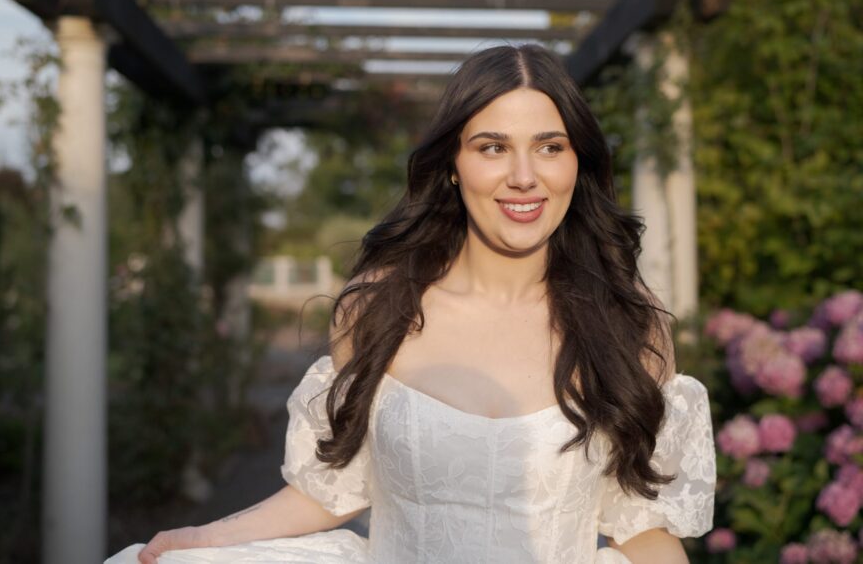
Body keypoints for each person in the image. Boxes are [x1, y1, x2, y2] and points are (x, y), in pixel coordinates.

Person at [107, 44, 716, 564]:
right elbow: (332, 488)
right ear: (453, 165)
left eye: (550, 147)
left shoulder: (628, 327)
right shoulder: (375, 310)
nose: (525, 176)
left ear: (577, 161)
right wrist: (202, 538)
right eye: (493, 147)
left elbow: (645, 526)